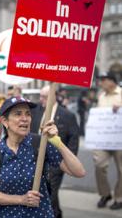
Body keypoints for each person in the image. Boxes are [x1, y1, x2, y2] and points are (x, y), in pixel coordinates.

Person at [0, 96, 86, 218]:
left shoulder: (40, 144)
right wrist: (21, 199)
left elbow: (79, 172)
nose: (25, 119)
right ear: (5, 121)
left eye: (28, 114)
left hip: (40, 214)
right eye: (18, 114)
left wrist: (58, 142)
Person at [30, 85, 80, 218]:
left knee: (49, 192)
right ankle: (57, 213)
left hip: (56, 162)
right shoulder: (35, 110)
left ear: (54, 96)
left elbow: (74, 139)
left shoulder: (67, 115)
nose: (41, 100)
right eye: (40, 96)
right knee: (45, 191)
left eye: (44, 97)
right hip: (35, 159)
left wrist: (69, 159)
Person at [93, 72, 122, 210]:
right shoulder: (101, 96)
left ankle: (119, 197)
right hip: (103, 139)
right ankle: (105, 194)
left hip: (119, 139)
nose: (100, 83)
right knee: (99, 164)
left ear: (112, 81)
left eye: (103, 80)